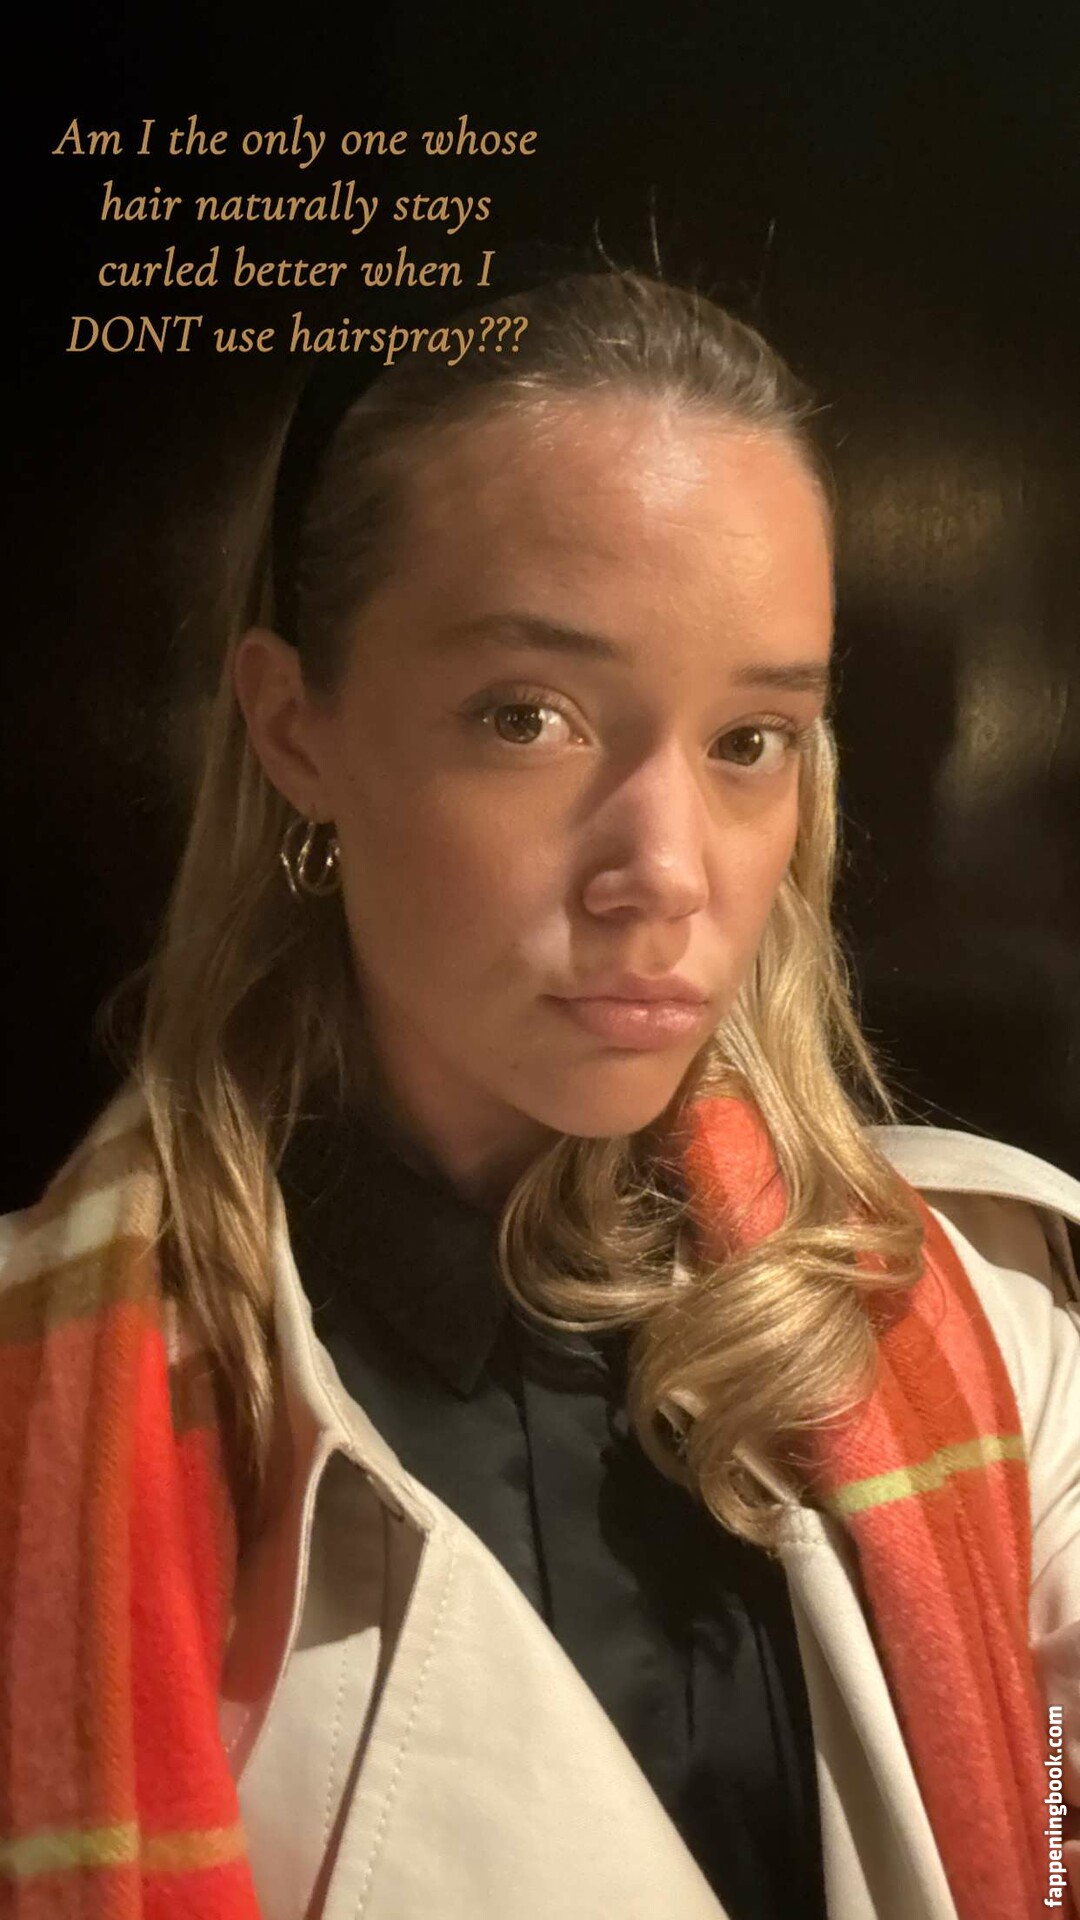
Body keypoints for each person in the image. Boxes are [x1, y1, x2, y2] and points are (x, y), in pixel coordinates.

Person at [1, 270, 1077, 1920]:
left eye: (751, 740)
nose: (669, 873)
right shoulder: (47, 1420)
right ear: (296, 728)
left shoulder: (992, 1325)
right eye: (531, 718)